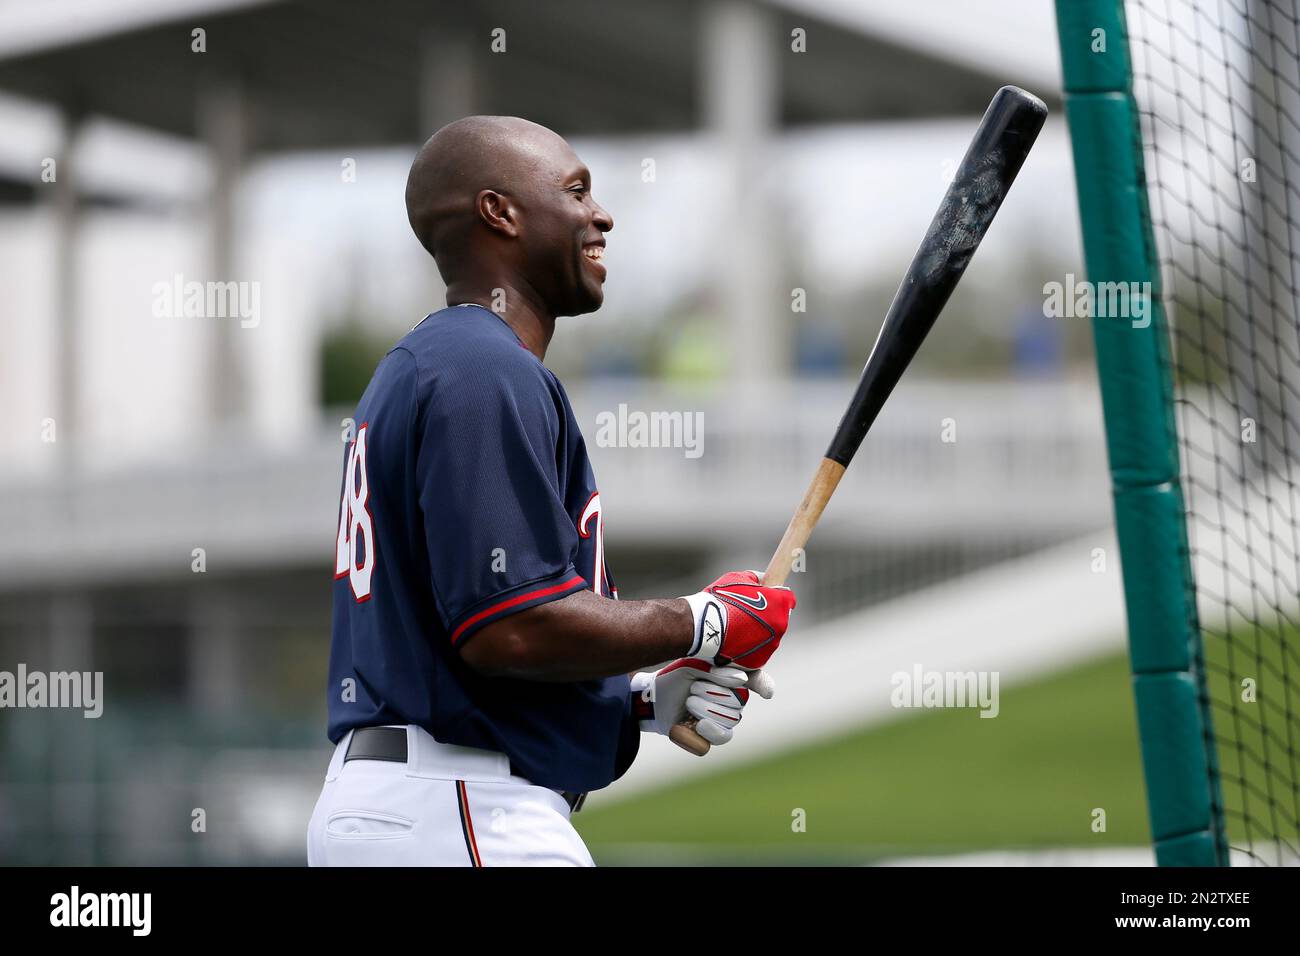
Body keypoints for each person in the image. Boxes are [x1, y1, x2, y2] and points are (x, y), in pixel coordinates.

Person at [306, 116, 796, 866]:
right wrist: (703, 620)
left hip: (416, 801)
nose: (600, 215)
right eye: (574, 191)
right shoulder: (481, 364)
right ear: (499, 212)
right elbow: (509, 627)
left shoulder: (434, 361)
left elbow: (458, 648)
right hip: (463, 805)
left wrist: (639, 700)